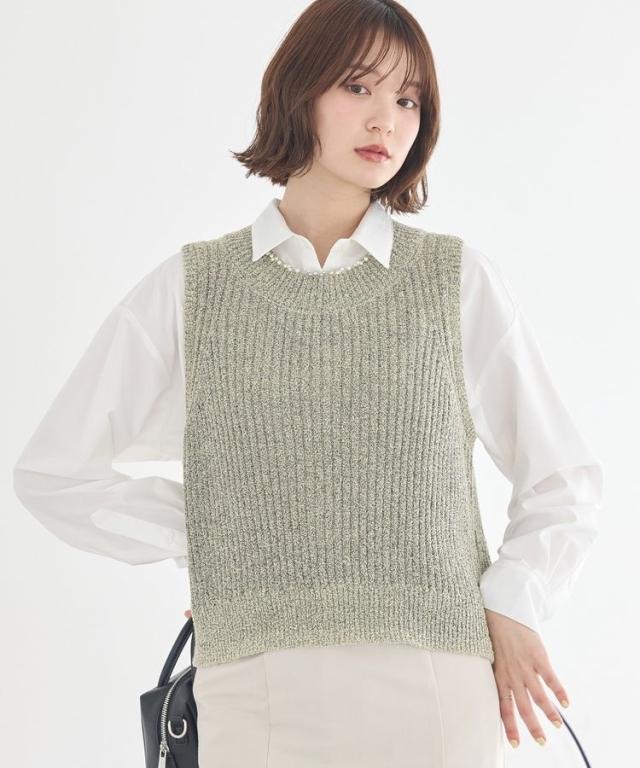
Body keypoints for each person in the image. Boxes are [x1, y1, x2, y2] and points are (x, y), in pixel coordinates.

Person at [13, 1, 603, 766]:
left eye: (409, 99)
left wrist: (515, 603)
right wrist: (218, 538)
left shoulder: (453, 282)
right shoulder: (195, 288)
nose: (386, 119)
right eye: (359, 87)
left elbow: (562, 479)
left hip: (434, 688)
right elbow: (55, 472)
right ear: (300, 90)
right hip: (256, 694)